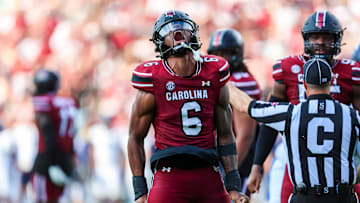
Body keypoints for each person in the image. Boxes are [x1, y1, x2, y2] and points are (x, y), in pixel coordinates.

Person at [128, 10, 249, 203]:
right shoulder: (153, 81)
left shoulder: (213, 74)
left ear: (194, 33)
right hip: (170, 175)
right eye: (170, 31)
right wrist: (140, 190)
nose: (178, 34)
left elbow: (226, 134)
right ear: (161, 41)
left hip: (208, 172)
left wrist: (233, 186)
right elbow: (135, 137)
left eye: (183, 28)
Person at [246, 10, 360, 203]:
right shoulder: (287, 68)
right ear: (306, 38)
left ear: (337, 39)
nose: (321, 43)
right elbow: (271, 121)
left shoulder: (351, 72)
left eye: (327, 37)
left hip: (336, 153)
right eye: (316, 37)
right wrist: (257, 163)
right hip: (293, 153)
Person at [230, 58, 359, 203]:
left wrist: (223, 80)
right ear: (330, 83)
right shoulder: (351, 115)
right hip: (342, 197)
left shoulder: (290, 114)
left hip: (305, 197)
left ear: (304, 85)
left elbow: (244, 105)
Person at [207, 28, 261, 195]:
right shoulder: (222, 78)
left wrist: (229, 173)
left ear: (236, 54)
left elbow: (245, 136)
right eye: (216, 53)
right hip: (221, 154)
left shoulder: (241, 81)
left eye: (225, 53)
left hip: (238, 157)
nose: (220, 59)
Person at [31, 69, 78, 203]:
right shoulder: (69, 102)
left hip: (47, 160)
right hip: (66, 158)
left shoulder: (43, 101)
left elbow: (47, 130)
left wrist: (53, 162)